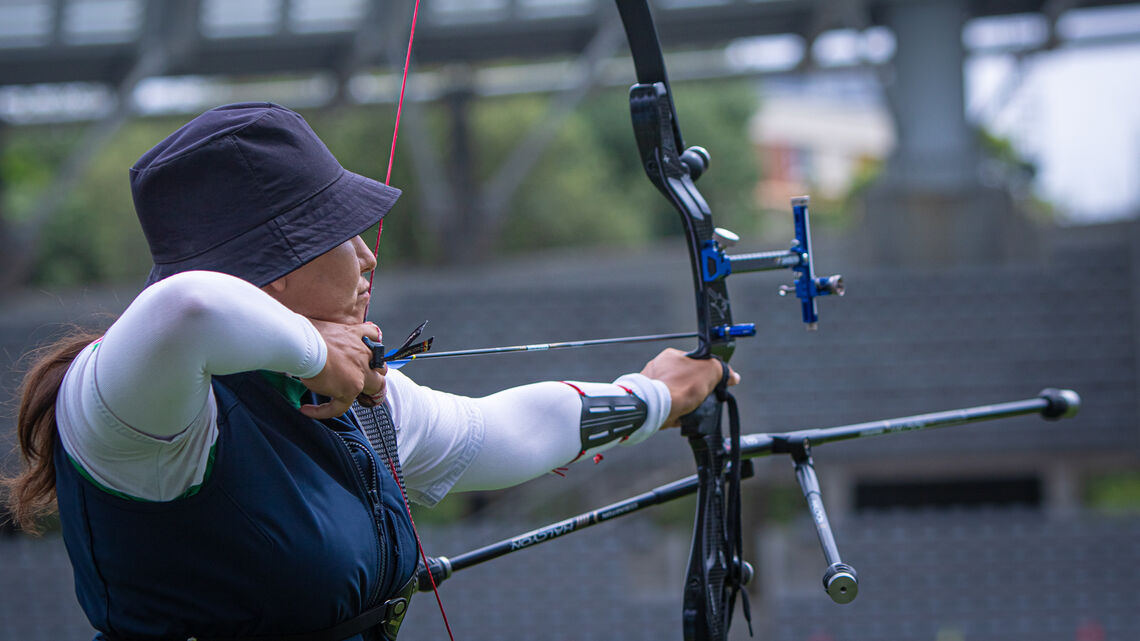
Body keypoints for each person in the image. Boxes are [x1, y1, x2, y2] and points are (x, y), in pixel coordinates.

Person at [3, 103, 735, 641]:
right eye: (334, 233)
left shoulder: (338, 396)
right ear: (273, 266)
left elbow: (495, 431)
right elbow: (186, 306)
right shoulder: (131, 406)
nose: (367, 256)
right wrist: (319, 352)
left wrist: (656, 395)